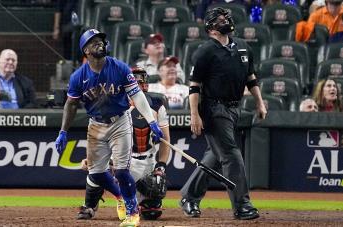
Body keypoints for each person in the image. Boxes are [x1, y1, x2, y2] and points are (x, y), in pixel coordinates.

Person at [54, 29, 164, 227]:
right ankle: (121, 196)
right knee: (95, 174)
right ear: (85, 50)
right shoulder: (78, 77)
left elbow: (137, 95)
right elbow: (70, 105)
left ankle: (132, 213)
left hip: (120, 121)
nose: (100, 44)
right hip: (96, 124)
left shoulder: (120, 68)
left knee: (122, 171)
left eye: (101, 41)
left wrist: (151, 120)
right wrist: (63, 131)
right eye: (94, 42)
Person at [180, 7, 267, 220]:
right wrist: (194, 115)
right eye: (220, 19)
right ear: (210, 27)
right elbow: (195, 86)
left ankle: (189, 196)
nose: (226, 20)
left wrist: (260, 103)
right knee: (230, 154)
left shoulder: (244, 47)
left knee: (216, 157)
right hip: (212, 108)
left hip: (234, 107)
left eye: (226, 17)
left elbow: (251, 78)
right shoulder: (205, 51)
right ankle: (242, 205)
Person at [81, 66, 171, 220]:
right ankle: (90, 206)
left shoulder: (157, 104)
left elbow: (166, 141)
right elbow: (100, 135)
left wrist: (161, 166)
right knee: (95, 171)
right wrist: (92, 157)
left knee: (152, 212)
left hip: (147, 162)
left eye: (140, 81)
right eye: (132, 80)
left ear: (145, 85)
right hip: (122, 161)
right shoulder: (112, 105)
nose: (136, 84)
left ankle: (139, 202)